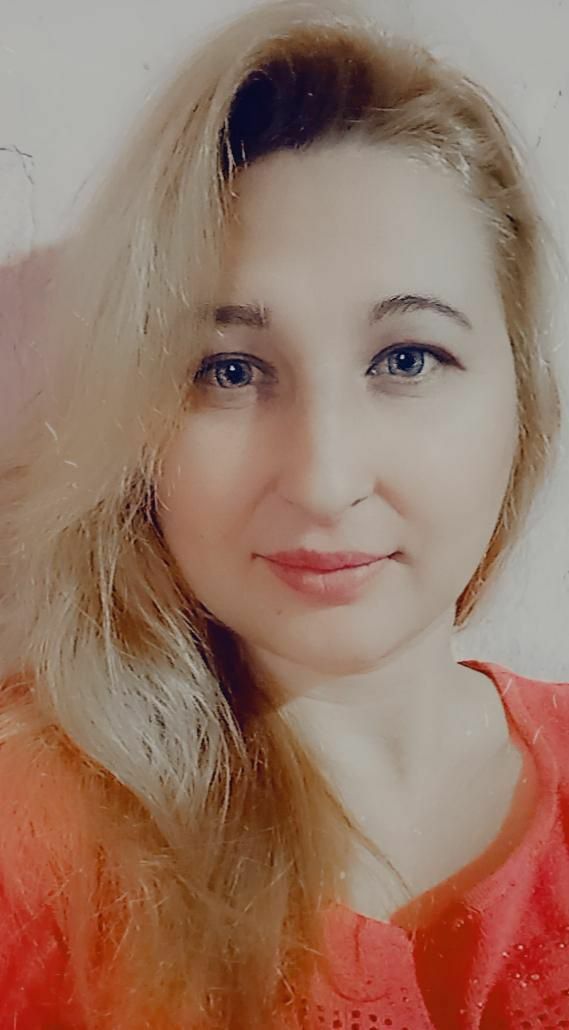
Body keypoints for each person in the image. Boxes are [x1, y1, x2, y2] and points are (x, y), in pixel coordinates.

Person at [0, 0, 566, 1026]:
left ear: (520, 398)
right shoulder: (31, 849)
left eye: (406, 358)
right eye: (229, 369)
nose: (321, 477)